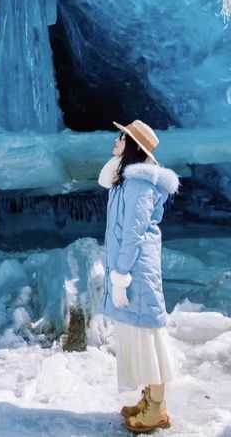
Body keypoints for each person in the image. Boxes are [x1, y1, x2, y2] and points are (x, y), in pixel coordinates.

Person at [98, 119, 180, 433]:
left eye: (120, 139)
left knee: (148, 335)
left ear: (132, 146)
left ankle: (157, 407)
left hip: (136, 270)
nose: (115, 143)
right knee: (138, 333)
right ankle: (151, 399)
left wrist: (121, 273)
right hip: (129, 267)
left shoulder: (139, 183)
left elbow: (133, 231)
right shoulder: (127, 179)